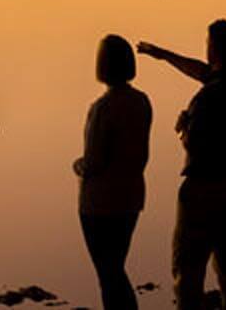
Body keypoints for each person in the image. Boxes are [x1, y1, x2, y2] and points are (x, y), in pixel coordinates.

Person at [138, 20, 226, 310]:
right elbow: (206, 73)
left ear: (214, 48)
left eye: (207, 43)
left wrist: (182, 127)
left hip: (203, 192)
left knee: (188, 274)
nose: (205, 48)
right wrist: (164, 55)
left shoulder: (207, 98)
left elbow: (194, 143)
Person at [73, 35, 152, 310]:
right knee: (116, 267)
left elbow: (94, 161)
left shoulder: (103, 107)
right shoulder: (142, 101)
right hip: (131, 196)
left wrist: (78, 166)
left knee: (108, 274)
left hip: (100, 203)